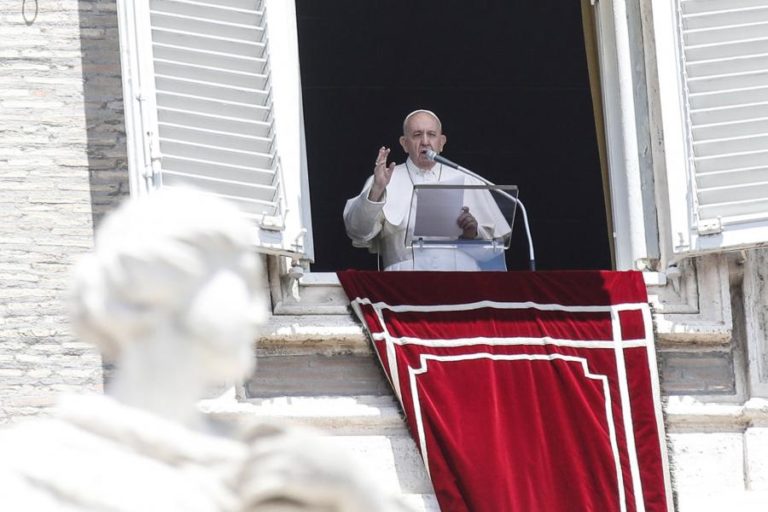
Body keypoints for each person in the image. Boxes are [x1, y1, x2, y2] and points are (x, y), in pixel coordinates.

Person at [344, 109, 511, 271]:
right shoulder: (384, 180)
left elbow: (493, 252)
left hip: (461, 280)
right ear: (404, 143)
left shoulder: (469, 179)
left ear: (441, 142)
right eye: (417, 135)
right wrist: (377, 190)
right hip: (404, 281)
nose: (425, 141)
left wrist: (472, 233)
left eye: (431, 134)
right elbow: (357, 232)